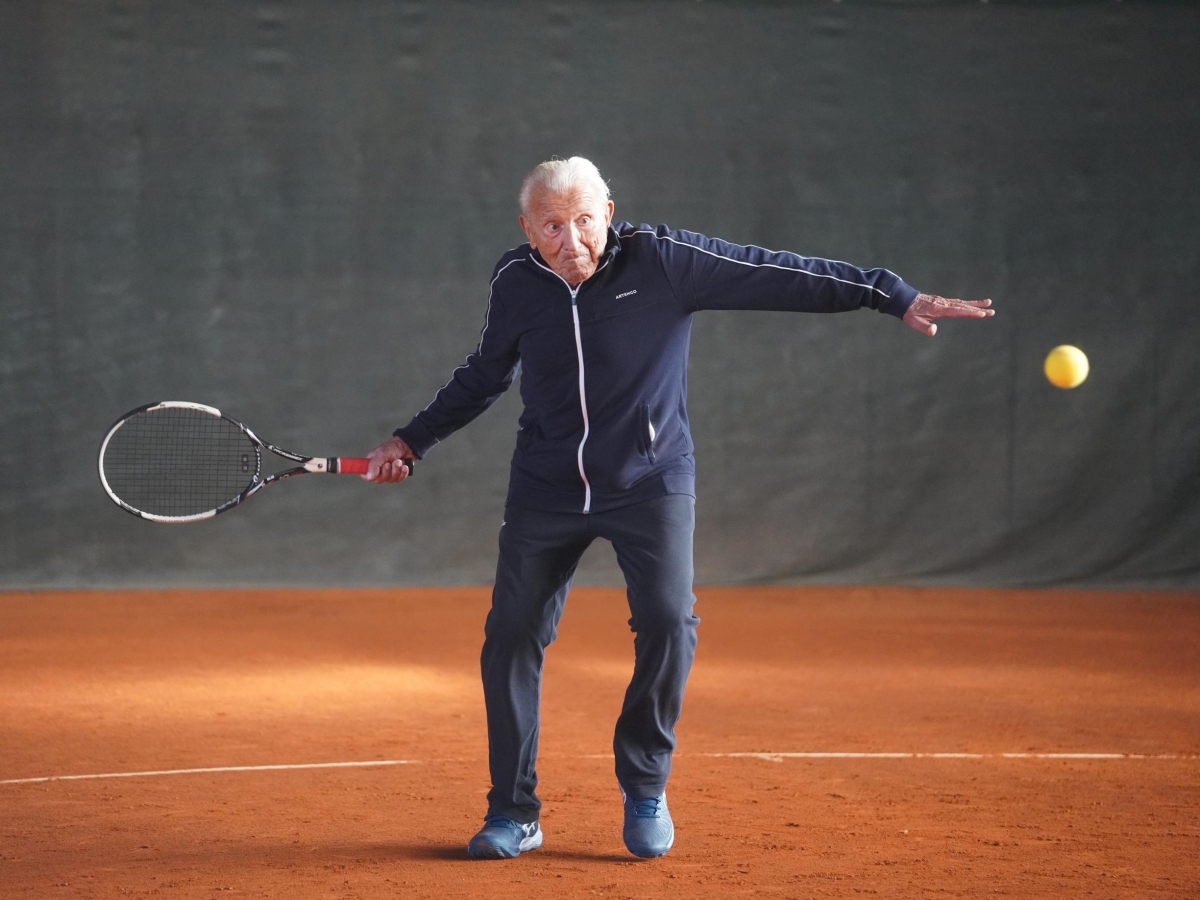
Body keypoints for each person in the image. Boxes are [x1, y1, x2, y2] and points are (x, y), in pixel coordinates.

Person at [363, 157, 993, 860]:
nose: (571, 239)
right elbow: (483, 373)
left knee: (668, 622)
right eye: (551, 225)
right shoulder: (516, 282)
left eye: (582, 220)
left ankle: (644, 784)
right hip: (547, 488)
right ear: (527, 230)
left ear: (609, 211)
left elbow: (775, 272)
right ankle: (514, 811)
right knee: (509, 636)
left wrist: (891, 294)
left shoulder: (661, 261)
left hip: (650, 481)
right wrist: (411, 440)